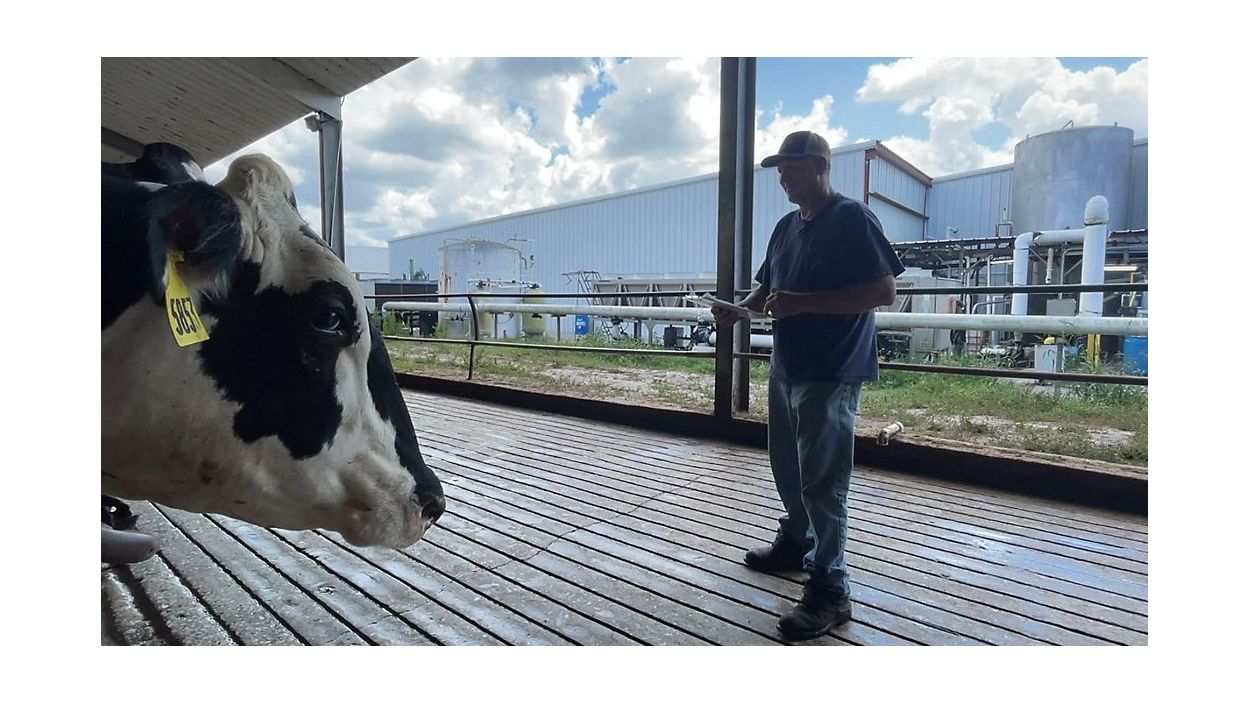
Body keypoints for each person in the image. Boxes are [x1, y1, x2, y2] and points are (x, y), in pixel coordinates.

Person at [713, 130, 904, 640]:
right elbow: (769, 288)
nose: (783, 177)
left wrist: (803, 303)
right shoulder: (785, 228)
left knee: (824, 482)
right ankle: (797, 540)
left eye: (791, 167)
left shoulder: (852, 218)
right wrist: (740, 311)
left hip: (832, 369)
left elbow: (883, 290)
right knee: (789, 468)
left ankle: (830, 588)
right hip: (787, 366)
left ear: (820, 166)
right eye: (779, 169)